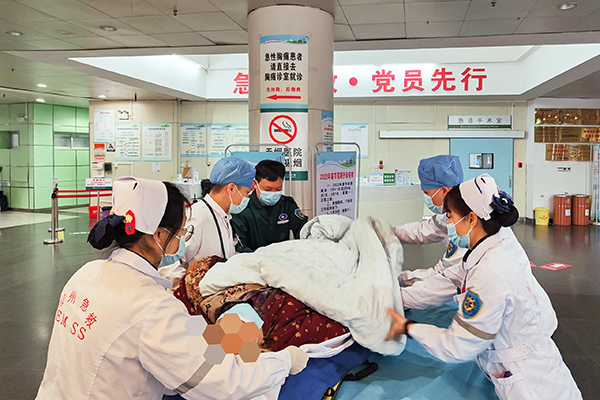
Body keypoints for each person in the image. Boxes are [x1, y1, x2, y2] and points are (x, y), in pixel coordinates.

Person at [35, 176, 307, 400]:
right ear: (159, 234)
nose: (182, 239)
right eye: (181, 231)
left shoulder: (86, 273)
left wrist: (207, 339)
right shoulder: (151, 306)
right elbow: (220, 381)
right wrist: (284, 362)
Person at [386, 174, 582, 400]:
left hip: (530, 384)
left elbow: (457, 345)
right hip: (536, 356)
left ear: (471, 218)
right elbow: (448, 278)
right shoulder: (493, 244)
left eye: (450, 217)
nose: (448, 224)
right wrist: (399, 292)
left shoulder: (490, 272)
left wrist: (408, 327)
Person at [394, 155, 465, 287]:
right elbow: (423, 230)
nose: (426, 198)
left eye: (427, 193)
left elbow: (444, 278)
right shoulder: (450, 213)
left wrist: (399, 284)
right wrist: (391, 231)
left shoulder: (465, 225)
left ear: (444, 190)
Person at [231, 160, 308, 252]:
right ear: (255, 184)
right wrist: (263, 258)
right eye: (267, 189)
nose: (273, 193)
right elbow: (239, 246)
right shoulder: (242, 208)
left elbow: (303, 230)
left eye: (278, 189)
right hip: (253, 259)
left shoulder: (287, 204)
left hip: (283, 258)